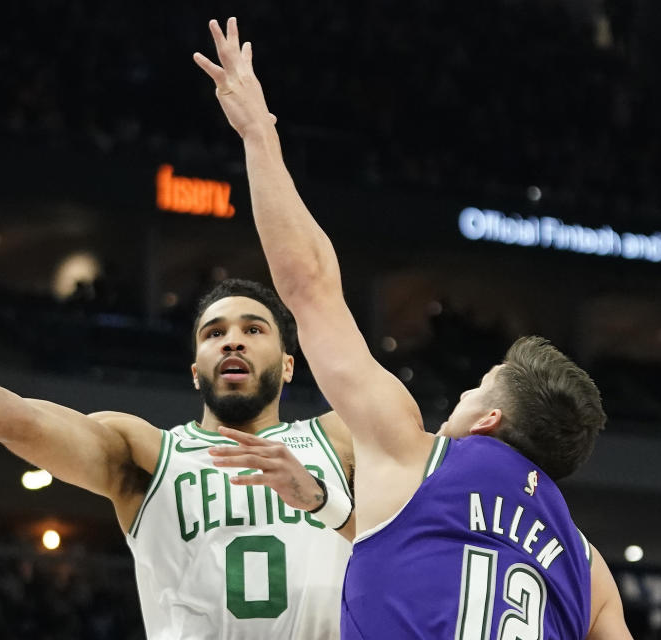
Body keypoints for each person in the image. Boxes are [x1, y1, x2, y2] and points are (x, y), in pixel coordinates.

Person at [195, 17, 633, 639]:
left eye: (477, 388)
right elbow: (437, 554)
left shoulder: (411, 448)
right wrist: (324, 502)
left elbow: (310, 287)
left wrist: (257, 131)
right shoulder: (591, 573)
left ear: (487, 421)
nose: (461, 395)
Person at [0, 247, 355, 639]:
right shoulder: (145, 455)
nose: (232, 341)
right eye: (214, 333)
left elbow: (440, 460)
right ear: (194, 367)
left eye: (253, 330)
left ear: (287, 363)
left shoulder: (341, 442)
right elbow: (11, 419)